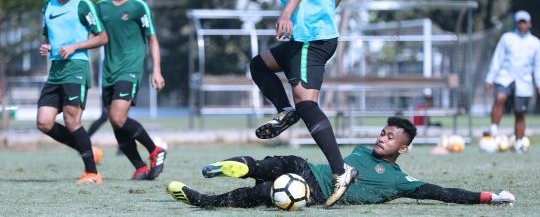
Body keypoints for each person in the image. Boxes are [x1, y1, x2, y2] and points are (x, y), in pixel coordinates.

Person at [236, 0, 354, 206]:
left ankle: (341, 170)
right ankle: (285, 111)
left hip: (309, 40)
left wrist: (287, 14)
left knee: (307, 104)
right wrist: (324, 13)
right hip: (313, 36)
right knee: (259, 64)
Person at [167, 117, 516, 208]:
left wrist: (490, 196)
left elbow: (443, 193)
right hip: (307, 178)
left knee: (262, 186)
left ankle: (207, 198)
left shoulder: (399, 181)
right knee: (270, 173)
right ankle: (232, 168)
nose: (382, 138)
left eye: (390, 137)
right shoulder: (363, 151)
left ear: (404, 148)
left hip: (308, 185)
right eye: (382, 132)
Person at [37, 0, 108, 184]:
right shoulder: (47, 5)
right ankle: (89, 150)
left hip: (76, 67)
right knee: (44, 122)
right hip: (56, 70)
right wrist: (46, 45)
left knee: (71, 120)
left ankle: (92, 173)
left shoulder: (83, 4)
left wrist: (75, 46)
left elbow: (102, 37)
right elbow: (48, 34)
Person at [96, 0, 166, 180]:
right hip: (108, 73)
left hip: (130, 70)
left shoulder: (138, 7)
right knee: (118, 125)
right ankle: (140, 167)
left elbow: (152, 39)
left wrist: (156, 69)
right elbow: (92, 35)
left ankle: (155, 150)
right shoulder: (101, 7)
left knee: (117, 117)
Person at [485, 10, 540, 153]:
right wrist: (490, 78)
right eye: (519, 22)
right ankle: (493, 130)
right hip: (505, 76)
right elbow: (497, 59)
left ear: (529, 24)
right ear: (516, 24)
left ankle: (518, 143)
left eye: (524, 22)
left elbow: (538, 66)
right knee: (500, 97)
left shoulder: (535, 43)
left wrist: (538, 83)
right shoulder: (507, 38)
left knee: (519, 113)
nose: (522, 25)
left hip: (524, 82)